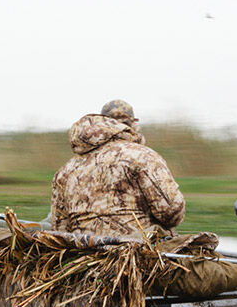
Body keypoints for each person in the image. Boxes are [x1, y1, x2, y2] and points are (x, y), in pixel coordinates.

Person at [48, 100, 185, 239]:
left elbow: (59, 229)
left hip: (84, 256)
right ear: (132, 125)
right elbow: (172, 213)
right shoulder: (142, 156)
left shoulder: (65, 171)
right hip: (136, 254)